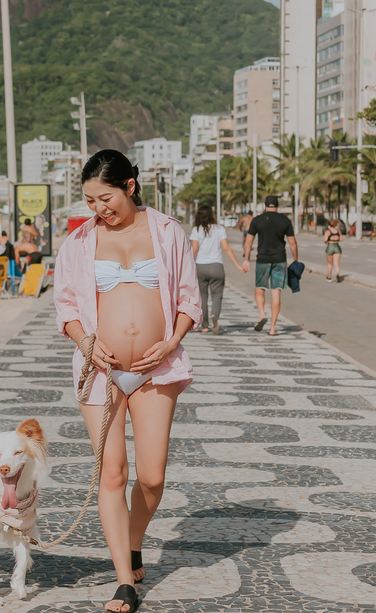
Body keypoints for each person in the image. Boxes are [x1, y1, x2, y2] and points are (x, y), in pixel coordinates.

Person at [54, 149, 200, 613]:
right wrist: (86, 345)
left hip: (157, 369)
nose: (98, 209)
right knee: (112, 472)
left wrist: (172, 340)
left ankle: (134, 540)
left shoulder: (167, 232)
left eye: (106, 198)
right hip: (101, 371)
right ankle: (124, 580)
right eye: (89, 200)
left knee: (152, 477)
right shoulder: (78, 243)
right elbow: (67, 307)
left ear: (130, 187)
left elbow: (188, 298)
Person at [241, 195, 297, 336]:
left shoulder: (257, 220)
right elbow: (292, 243)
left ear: (265, 206)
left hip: (262, 260)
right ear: (277, 206)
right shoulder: (285, 221)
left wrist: (246, 259)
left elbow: (248, 242)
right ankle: (273, 328)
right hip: (280, 260)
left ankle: (261, 314)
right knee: (276, 292)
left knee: (260, 288)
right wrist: (296, 259)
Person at [189, 204, 244, 335]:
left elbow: (194, 250)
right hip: (217, 267)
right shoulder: (220, 229)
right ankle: (215, 316)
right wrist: (238, 265)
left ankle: (205, 326)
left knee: (202, 297)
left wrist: (188, 267)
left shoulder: (196, 230)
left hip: (201, 267)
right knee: (217, 296)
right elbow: (226, 248)